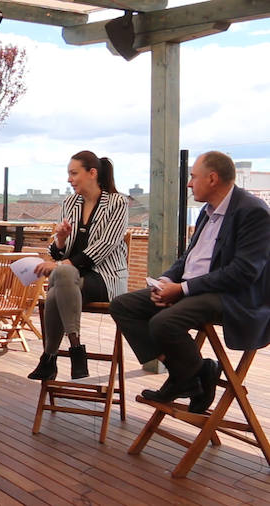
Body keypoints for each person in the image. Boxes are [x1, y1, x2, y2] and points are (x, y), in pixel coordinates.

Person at [110, 151, 270, 414]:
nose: (188, 183)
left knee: (163, 322)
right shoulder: (207, 211)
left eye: (193, 177)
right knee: (123, 305)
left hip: (233, 296)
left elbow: (244, 272)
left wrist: (182, 289)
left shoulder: (253, 212)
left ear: (213, 178)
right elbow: (189, 258)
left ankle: (185, 378)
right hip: (196, 290)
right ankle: (194, 373)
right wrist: (166, 281)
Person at [27, 151, 129, 381]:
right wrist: (61, 239)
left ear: (92, 173)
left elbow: (106, 245)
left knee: (58, 284)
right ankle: (75, 350)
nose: (69, 179)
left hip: (105, 276)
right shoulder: (70, 203)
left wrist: (62, 264)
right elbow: (57, 250)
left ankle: (49, 358)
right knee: (62, 279)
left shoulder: (117, 202)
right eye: (68, 174)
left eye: (74, 173)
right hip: (70, 278)